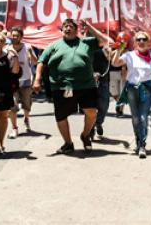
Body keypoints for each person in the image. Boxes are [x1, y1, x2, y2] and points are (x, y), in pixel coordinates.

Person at [33, 18, 112, 154]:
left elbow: (106, 41)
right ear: (62, 30)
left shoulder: (86, 43)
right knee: (61, 116)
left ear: (76, 30)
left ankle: (85, 135)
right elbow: (41, 61)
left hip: (86, 85)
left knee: (92, 112)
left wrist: (90, 27)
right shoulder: (54, 45)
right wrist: (37, 79)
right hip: (61, 87)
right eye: (65, 26)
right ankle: (68, 143)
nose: (68, 28)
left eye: (71, 26)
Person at [112, 31, 151, 158]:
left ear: (148, 42)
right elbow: (115, 63)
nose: (141, 42)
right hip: (132, 88)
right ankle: (138, 140)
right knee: (136, 118)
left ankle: (142, 145)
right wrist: (118, 49)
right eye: (138, 39)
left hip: (146, 89)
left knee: (143, 118)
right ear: (135, 42)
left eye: (144, 39)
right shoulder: (129, 55)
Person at [8, 27, 37, 137]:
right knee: (13, 104)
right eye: (13, 35)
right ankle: (14, 128)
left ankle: (26, 118)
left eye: (17, 35)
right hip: (12, 82)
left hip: (26, 80)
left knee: (27, 104)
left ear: (21, 37)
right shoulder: (7, 48)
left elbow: (35, 62)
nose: (14, 37)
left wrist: (30, 53)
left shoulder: (27, 47)